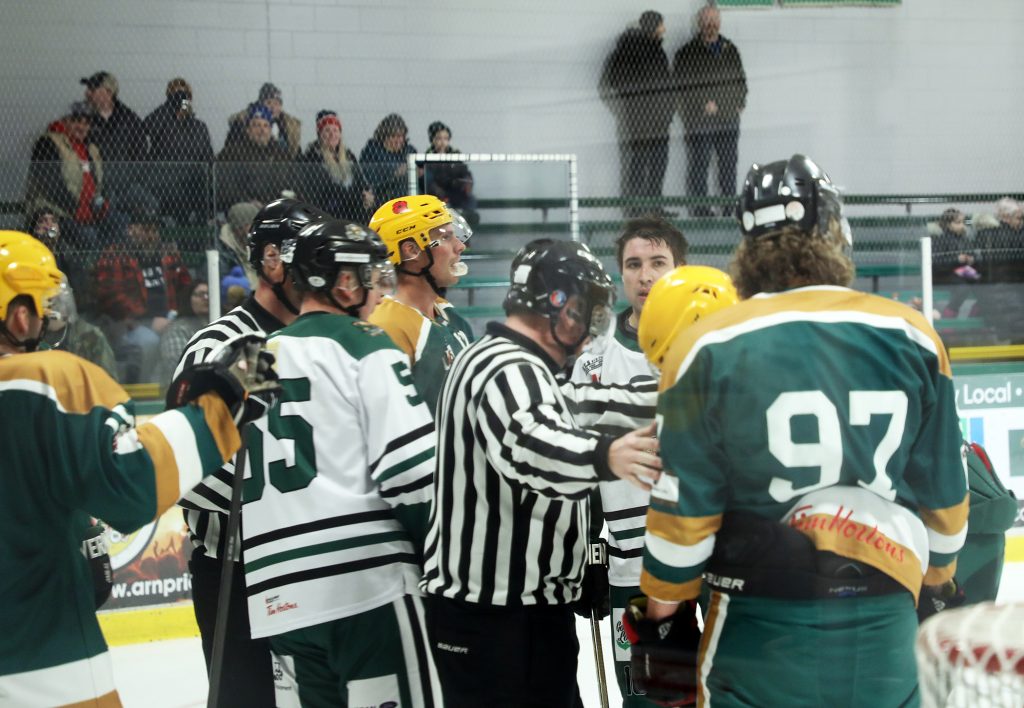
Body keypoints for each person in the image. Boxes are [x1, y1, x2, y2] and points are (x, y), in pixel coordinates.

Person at [626, 155, 968, 706]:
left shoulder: (706, 344)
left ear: (747, 247)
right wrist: (937, 584)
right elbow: (947, 500)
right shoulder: (912, 333)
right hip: (885, 618)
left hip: (758, 626)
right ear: (833, 231)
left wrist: (662, 619)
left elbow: (684, 513)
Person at [0, 231, 271, 706]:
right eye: (43, 304)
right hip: (37, 665)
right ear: (19, 314)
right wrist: (226, 398)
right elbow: (131, 485)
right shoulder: (44, 381)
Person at [421, 238, 664, 708]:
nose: (593, 327)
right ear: (555, 303)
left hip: (531, 609)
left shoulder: (531, 367)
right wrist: (606, 456)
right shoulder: (501, 363)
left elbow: (593, 412)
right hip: (489, 615)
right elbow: (529, 446)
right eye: (586, 309)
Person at [242, 218, 444, 708]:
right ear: (343, 281)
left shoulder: (248, 362)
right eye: (369, 275)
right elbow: (413, 473)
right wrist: (440, 567)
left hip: (278, 600)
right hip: (365, 591)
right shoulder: (365, 343)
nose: (379, 288)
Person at [174, 198, 328, 708]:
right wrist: (286, 500)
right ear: (270, 260)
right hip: (237, 575)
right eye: (304, 257)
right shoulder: (236, 345)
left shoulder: (321, 338)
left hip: (309, 569)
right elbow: (194, 470)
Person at [568, 217, 688, 705]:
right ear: (620, 276)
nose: (646, 276)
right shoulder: (592, 361)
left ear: (681, 269)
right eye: (634, 265)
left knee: (725, 688)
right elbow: (576, 464)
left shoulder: (711, 345)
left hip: (715, 560)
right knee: (649, 695)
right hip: (632, 569)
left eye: (658, 263)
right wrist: (584, 555)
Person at [367, 194, 475, 410]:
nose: (459, 246)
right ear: (411, 250)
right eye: (446, 237)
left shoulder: (446, 313)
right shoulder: (387, 325)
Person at [93, 197, 192, 383]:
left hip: (170, 318)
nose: (152, 235)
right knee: (149, 342)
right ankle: (142, 395)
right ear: (131, 230)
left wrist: (179, 314)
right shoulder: (115, 255)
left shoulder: (167, 254)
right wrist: (147, 320)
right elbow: (111, 296)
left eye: (155, 230)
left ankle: (178, 390)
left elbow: (186, 286)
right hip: (129, 324)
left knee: (189, 339)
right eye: (146, 229)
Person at [673, 5, 747, 217]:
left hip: (728, 118)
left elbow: (740, 81)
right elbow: (682, 86)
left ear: (720, 23)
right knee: (699, 165)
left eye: (714, 20)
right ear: (699, 23)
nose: (710, 25)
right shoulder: (687, 53)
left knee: (728, 164)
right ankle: (700, 209)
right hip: (700, 120)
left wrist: (740, 102)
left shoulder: (729, 49)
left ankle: (729, 208)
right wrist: (702, 104)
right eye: (706, 21)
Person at [599, 11, 675, 218]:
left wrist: (668, 111)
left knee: (658, 164)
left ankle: (653, 207)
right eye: (661, 25)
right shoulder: (628, 50)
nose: (664, 29)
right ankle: (635, 208)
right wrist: (635, 105)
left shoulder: (658, 51)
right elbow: (615, 81)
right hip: (640, 120)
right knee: (639, 164)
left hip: (660, 120)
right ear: (652, 27)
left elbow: (667, 85)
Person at [24, 102, 108, 249]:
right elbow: (49, 183)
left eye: (86, 123)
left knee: (119, 223)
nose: (82, 127)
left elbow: (100, 184)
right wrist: (74, 207)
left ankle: (108, 267)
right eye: (76, 121)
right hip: (58, 213)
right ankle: (84, 271)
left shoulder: (92, 149)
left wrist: (101, 203)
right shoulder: (48, 142)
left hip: (91, 213)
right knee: (88, 238)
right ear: (66, 121)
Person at [143, 77, 215, 223]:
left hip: (192, 184)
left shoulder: (199, 127)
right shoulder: (161, 123)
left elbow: (208, 159)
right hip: (165, 182)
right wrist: (169, 106)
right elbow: (146, 129)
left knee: (204, 196)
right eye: (176, 95)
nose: (181, 99)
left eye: (185, 96)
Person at [298, 109, 375, 221]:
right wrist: (357, 196)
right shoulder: (312, 157)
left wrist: (367, 193)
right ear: (320, 134)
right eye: (327, 130)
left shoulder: (348, 155)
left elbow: (361, 181)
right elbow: (323, 190)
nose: (332, 134)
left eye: (335, 130)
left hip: (354, 208)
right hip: (329, 210)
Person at [80, 71, 147, 200]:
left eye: (92, 89)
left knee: (149, 206)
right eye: (87, 89)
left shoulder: (129, 118)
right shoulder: (80, 119)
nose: (87, 93)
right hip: (94, 186)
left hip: (127, 185)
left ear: (109, 92)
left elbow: (141, 152)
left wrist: (130, 178)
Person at [43, 276, 119, 379]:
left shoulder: (90, 337)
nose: (53, 305)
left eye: (57, 299)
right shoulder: (27, 338)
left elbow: (108, 386)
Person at [974, 196, 1024, 343]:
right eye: (1019, 218)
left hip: (1004, 285)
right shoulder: (1004, 235)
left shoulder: (991, 233)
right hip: (1008, 286)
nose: (1021, 222)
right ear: (1005, 217)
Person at [422, 120, 479, 225]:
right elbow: (428, 180)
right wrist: (439, 191)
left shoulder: (455, 155)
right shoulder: (427, 157)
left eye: (446, 138)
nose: (443, 142)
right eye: (439, 138)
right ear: (432, 140)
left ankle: (469, 216)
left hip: (457, 191)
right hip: (439, 194)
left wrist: (467, 184)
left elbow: (465, 173)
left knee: (470, 199)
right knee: (445, 208)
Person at [226, 82, 302, 158]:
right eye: (269, 103)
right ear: (260, 104)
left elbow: (296, 152)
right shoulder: (242, 122)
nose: (273, 108)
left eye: (277, 103)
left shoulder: (289, 126)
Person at [157, 279, 209, 388]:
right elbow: (178, 367)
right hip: (181, 392)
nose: (206, 298)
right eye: (200, 294)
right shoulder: (177, 329)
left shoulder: (221, 325)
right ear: (188, 299)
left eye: (208, 294)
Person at [928, 208, 978, 318]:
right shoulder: (939, 239)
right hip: (944, 274)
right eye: (958, 223)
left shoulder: (964, 238)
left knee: (982, 281)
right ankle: (950, 312)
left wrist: (971, 259)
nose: (962, 225)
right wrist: (957, 259)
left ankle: (978, 310)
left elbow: (973, 254)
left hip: (962, 271)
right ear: (948, 224)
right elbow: (937, 263)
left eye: (963, 222)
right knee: (963, 287)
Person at [360, 113, 417, 205]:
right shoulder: (371, 152)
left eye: (400, 136)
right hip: (381, 199)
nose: (398, 140)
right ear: (384, 136)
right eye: (393, 136)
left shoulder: (409, 151)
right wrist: (395, 175)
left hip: (408, 199)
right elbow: (370, 182)